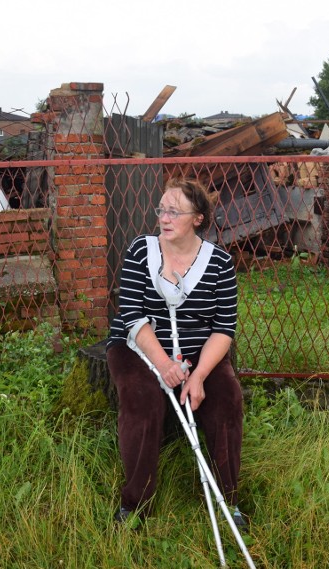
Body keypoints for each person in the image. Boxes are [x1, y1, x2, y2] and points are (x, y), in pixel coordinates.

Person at [106, 177, 245, 526]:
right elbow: (132, 315)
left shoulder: (221, 264)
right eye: (161, 210)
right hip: (139, 346)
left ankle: (226, 499)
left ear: (198, 218)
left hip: (200, 350)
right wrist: (165, 364)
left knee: (225, 399)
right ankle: (135, 504)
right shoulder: (142, 250)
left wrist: (198, 375)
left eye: (174, 212)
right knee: (142, 399)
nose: (164, 218)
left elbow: (223, 329)